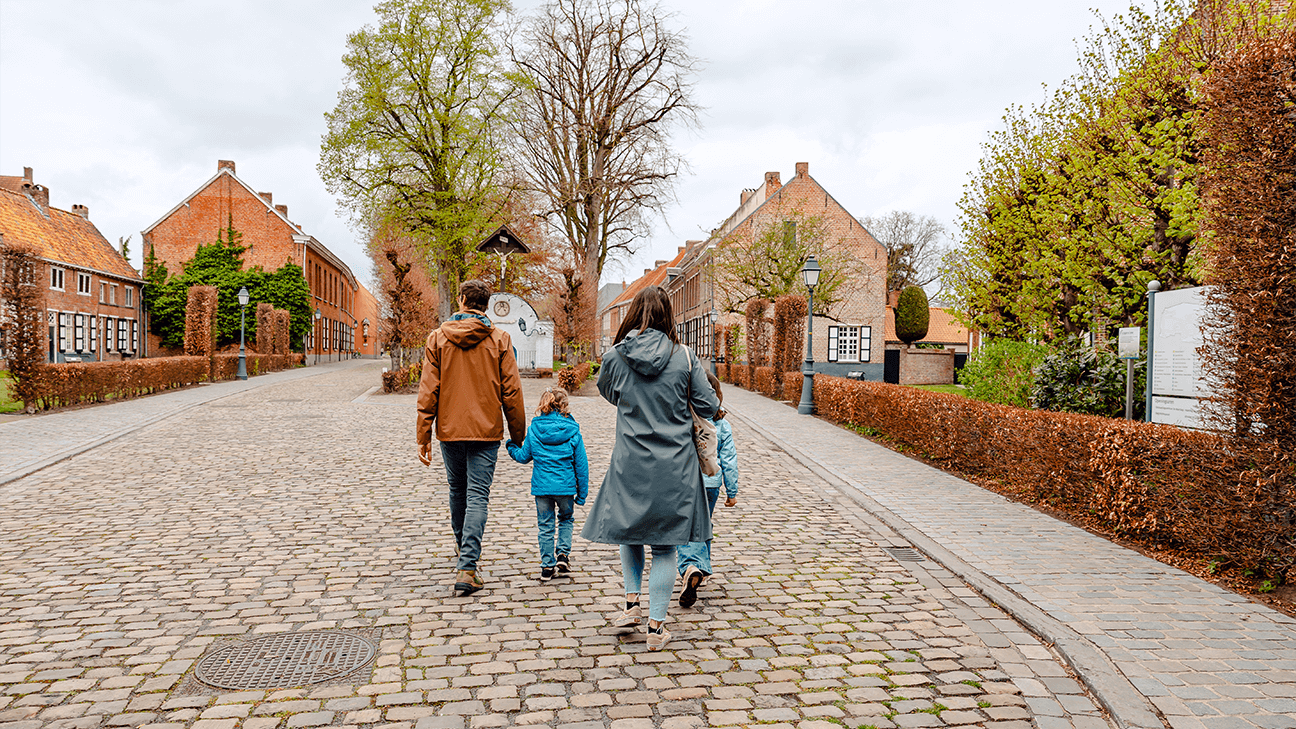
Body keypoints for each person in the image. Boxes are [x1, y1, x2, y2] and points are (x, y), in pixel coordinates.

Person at [581, 286, 719, 651]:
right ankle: (656, 629)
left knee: (630, 533)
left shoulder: (615, 358)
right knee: (665, 545)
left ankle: (630, 605)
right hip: (675, 465)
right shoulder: (685, 356)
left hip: (630, 460)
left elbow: (609, 394)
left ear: (633, 314)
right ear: (667, 315)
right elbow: (707, 405)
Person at [416, 280, 526, 596]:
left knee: (457, 489)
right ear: (487, 305)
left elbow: (428, 390)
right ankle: (468, 565)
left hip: (449, 429)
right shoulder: (500, 339)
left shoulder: (437, 339)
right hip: (487, 430)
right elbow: (512, 391)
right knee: (478, 493)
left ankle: (464, 551)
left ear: (462, 300)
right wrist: (518, 433)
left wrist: (423, 434)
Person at [506, 388, 590, 581]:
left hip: (542, 488)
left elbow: (523, 456)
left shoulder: (535, 430)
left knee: (545, 526)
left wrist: (511, 446)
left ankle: (547, 566)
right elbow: (581, 465)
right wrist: (582, 493)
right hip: (566, 488)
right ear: (564, 405)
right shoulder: (572, 431)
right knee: (566, 519)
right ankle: (562, 555)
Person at [676, 370, 739, 608]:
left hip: (687, 481)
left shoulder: (685, 418)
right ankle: (704, 566)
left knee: (687, 526)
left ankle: (691, 566)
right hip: (712, 482)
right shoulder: (723, 424)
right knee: (704, 521)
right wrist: (732, 492)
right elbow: (729, 461)